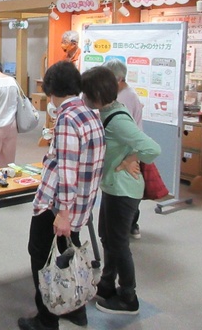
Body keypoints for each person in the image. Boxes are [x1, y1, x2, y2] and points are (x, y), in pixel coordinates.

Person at [18, 61, 105, 330]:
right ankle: (76, 309)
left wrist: (63, 213)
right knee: (70, 254)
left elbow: (67, 170)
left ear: (51, 89)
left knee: (41, 256)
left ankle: (47, 318)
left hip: (58, 206)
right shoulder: (90, 113)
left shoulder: (67, 119)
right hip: (82, 202)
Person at [81, 66, 161, 316]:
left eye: (86, 93)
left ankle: (128, 296)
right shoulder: (109, 110)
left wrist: (130, 159)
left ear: (96, 94)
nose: (83, 97)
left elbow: (152, 148)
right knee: (107, 237)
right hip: (113, 187)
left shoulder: (117, 119)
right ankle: (107, 284)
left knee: (118, 243)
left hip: (124, 190)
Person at [103, 59, 144, 239]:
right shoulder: (121, 94)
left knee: (125, 189)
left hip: (127, 152)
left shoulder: (127, 96)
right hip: (120, 150)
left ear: (119, 79)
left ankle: (130, 224)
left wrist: (132, 157)